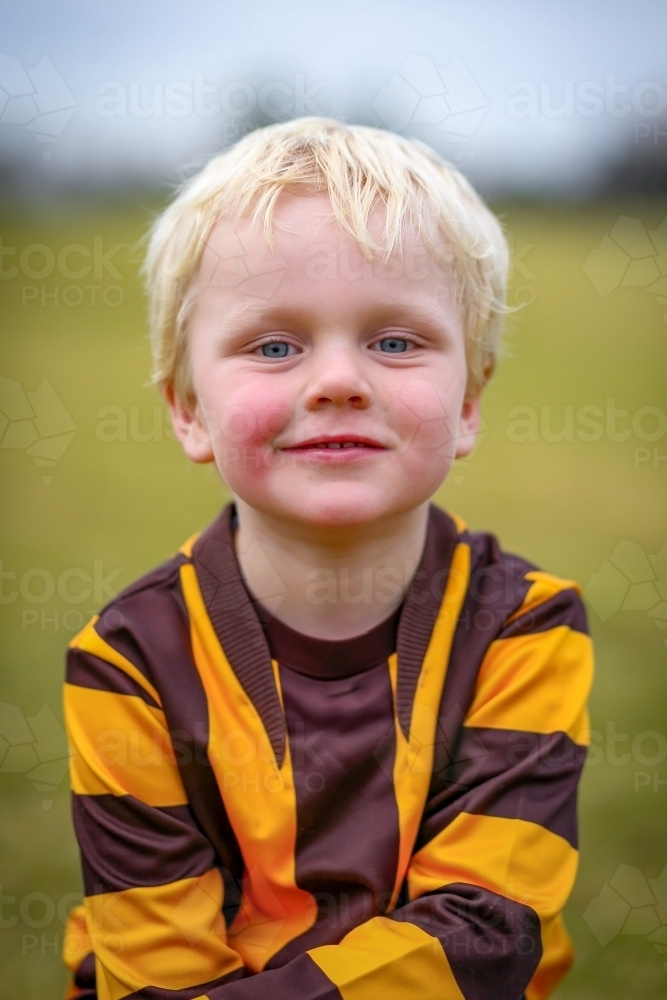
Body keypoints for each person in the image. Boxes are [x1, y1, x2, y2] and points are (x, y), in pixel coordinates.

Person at [62, 118, 593, 1000]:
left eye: (394, 341)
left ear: (468, 402)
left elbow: (485, 937)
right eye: (275, 346)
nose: (336, 379)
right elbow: (155, 978)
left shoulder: (523, 627)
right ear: (188, 408)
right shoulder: (130, 663)